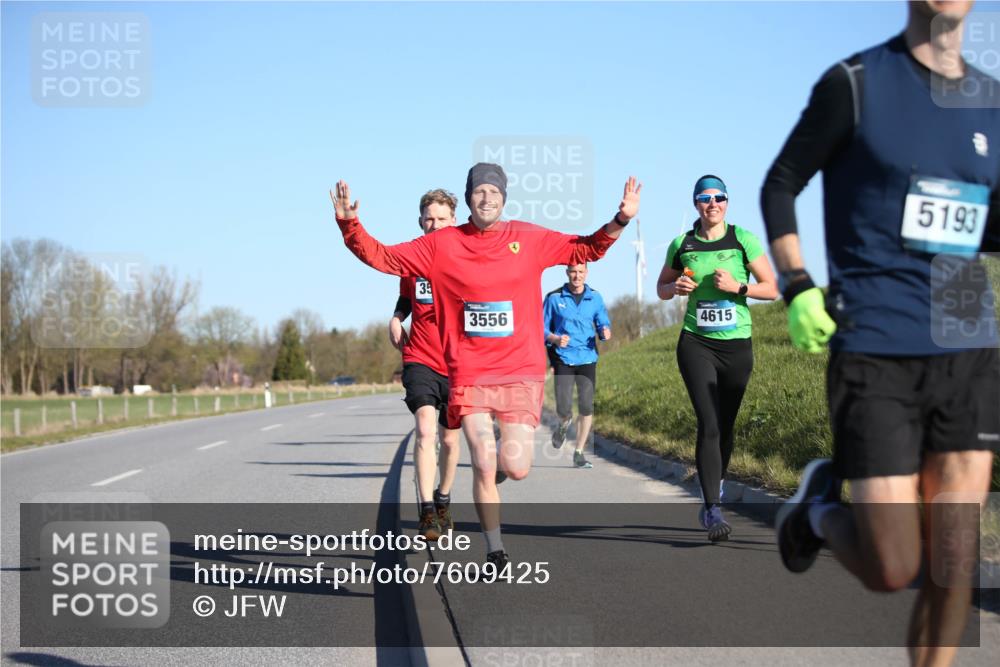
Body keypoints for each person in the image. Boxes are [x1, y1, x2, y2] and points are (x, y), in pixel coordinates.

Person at [763, 2, 1000, 663]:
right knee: (893, 566)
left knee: (954, 557)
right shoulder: (856, 83)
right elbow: (782, 183)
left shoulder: (992, 103)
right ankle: (815, 510)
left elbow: (991, 222)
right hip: (877, 345)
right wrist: (797, 285)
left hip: (968, 344)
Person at [331, 164, 641, 568]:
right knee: (480, 457)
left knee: (516, 468)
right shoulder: (441, 244)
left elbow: (586, 249)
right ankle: (495, 549)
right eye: (479, 191)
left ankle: (497, 474)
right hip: (470, 371)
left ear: (504, 197)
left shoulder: (527, 238)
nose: (487, 198)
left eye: (494, 191)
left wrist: (621, 219)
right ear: (469, 198)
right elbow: (384, 257)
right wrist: (350, 225)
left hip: (519, 371)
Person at [657, 175, 778, 541]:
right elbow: (661, 288)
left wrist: (739, 287)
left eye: (719, 198)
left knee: (725, 425)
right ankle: (712, 509)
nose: (713, 204)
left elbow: (772, 288)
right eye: (705, 198)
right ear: (696, 204)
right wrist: (674, 287)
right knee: (708, 422)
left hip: (737, 347)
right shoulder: (683, 243)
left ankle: (716, 486)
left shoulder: (743, 240)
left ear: (727, 202)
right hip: (696, 342)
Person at [388, 189, 462, 541]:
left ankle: (444, 496)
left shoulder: (468, 258)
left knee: (449, 441)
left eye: (442, 219)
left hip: (458, 363)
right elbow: (406, 294)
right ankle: (427, 510)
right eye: (429, 219)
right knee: (425, 430)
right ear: (421, 222)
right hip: (420, 357)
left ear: (454, 222)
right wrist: (396, 317)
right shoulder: (414, 259)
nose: (435, 225)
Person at [543, 262, 612, 469]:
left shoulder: (595, 297)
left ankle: (579, 452)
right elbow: (540, 328)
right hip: (563, 357)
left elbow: (602, 321)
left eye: (581, 272)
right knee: (563, 407)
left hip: (588, 358)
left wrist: (605, 330)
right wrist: (554, 338)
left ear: (586, 273)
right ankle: (564, 423)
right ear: (567, 273)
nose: (577, 276)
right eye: (573, 272)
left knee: (586, 406)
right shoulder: (554, 298)